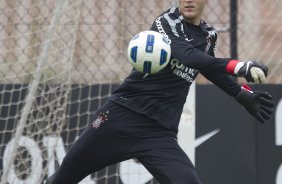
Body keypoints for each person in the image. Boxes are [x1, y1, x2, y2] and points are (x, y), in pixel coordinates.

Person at [45, 0, 274, 183]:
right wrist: (239, 66)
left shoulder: (208, 35)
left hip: (158, 133)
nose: (189, 0)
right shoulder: (167, 21)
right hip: (120, 118)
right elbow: (188, 56)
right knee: (64, 178)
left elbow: (207, 64)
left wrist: (241, 94)